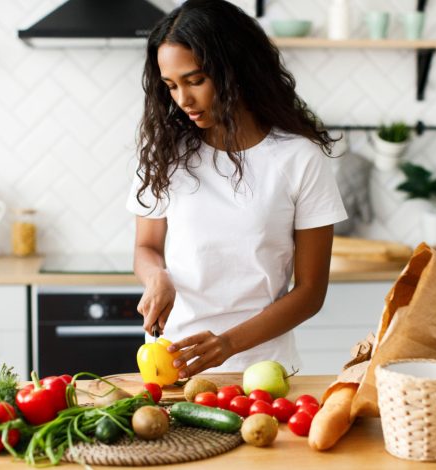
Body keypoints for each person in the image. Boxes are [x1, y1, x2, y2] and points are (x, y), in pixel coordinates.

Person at [126, 0, 347, 379]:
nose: (183, 100)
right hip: (173, 367)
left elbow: (310, 292)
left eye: (196, 80)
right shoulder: (166, 154)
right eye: (171, 86)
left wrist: (227, 344)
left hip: (261, 369)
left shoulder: (298, 158)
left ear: (236, 69)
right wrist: (155, 276)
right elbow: (146, 247)